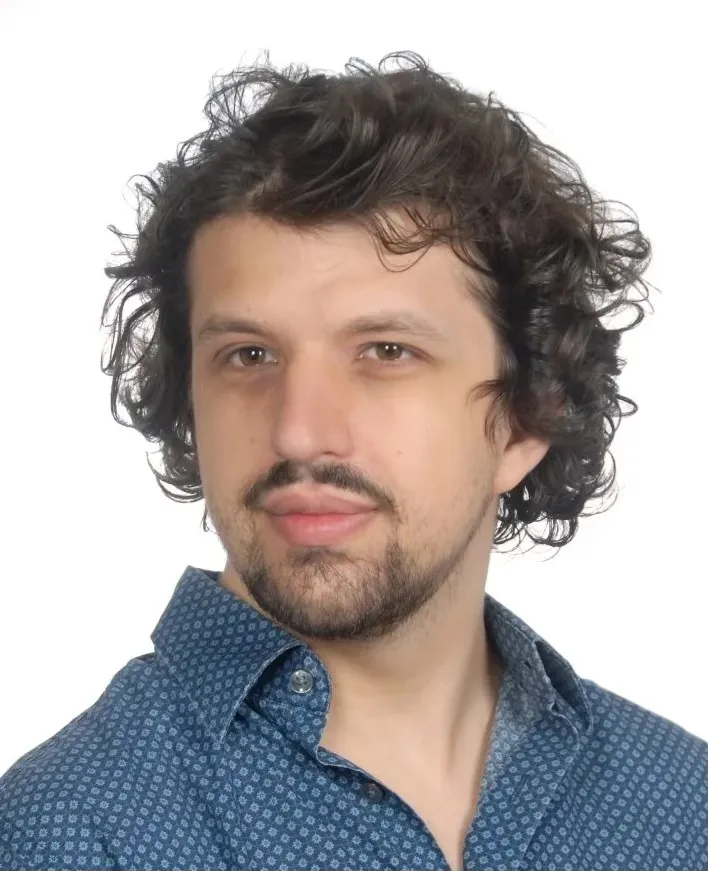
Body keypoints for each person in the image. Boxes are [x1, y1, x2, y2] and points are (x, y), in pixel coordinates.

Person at [0, 50, 705, 871]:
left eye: (385, 351)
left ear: (525, 419)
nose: (300, 433)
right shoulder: (67, 833)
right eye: (249, 356)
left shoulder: (681, 805)